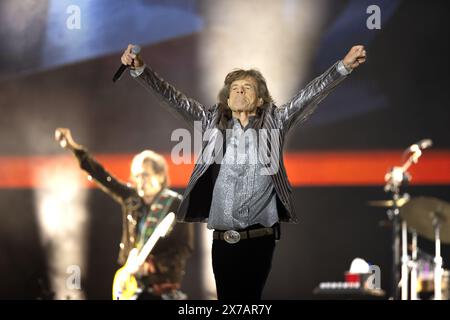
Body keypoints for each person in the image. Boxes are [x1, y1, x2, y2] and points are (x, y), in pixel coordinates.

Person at [120, 43, 366, 299]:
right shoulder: (211, 122)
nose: (239, 91)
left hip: (260, 240)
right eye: (234, 88)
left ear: (260, 100)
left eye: (246, 87)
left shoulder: (275, 122)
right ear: (227, 100)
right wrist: (141, 70)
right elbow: (173, 98)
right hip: (222, 241)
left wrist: (344, 66)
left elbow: (310, 95)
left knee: (249, 302)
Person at [54, 128, 194, 300]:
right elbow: (103, 177)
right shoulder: (132, 199)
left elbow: (183, 248)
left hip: (161, 286)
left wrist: (153, 266)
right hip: (131, 282)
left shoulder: (177, 205)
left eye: (145, 175)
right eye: (137, 176)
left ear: (160, 175)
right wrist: (74, 148)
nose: (140, 181)